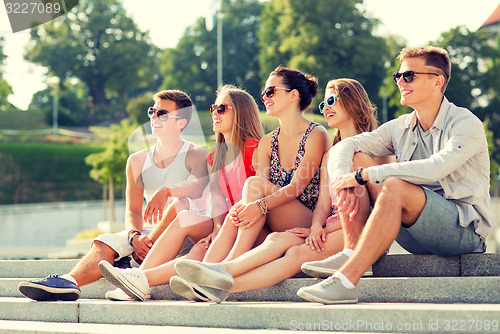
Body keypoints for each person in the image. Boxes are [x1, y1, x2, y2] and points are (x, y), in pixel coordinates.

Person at [297, 46, 491, 305]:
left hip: (461, 233)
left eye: (408, 75)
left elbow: (434, 168)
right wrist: (343, 180)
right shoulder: (402, 125)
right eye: (397, 76)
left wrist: (365, 175)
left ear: (437, 81)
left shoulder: (465, 123)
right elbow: (345, 146)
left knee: (391, 184)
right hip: (414, 230)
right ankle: (353, 251)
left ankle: (345, 282)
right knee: (357, 156)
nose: (400, 81)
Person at [169, 78, 389, 303]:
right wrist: (315, 226)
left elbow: (382, 208)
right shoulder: (330, 155)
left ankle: (220, 282)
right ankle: (215, 274)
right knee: (276, 239)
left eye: (331, 101)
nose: (326, 108)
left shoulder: (373, 151)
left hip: (359, 235)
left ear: (352, 102)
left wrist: (323, 228)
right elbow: (324, 203)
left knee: (295, 252)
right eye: (323, 105)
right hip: (325, 226)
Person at [18, 89, 209, 301]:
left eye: (162, 114)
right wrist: (134, 236)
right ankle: (68, 282)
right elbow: (133, 209)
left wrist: (167, 191)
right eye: (152, 111)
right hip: (149, 231)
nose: (154, 117)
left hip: (185, 234)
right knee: (104, 242)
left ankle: (134, 263)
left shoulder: (197, 154)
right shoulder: (137, 161)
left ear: (181, 122)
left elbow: (198, 189)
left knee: (179, 202)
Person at [97, 85, 264, 301]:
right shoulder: (215, 157)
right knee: (184, 218)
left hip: (251, 224)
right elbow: (217, 200)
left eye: (221, 108)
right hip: (225, 224)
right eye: (213, 108)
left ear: (240, 112)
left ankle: (141, 278)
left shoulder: (255, 149)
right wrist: (217, 229)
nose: (214, 113)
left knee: (195, 251)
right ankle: (136, 279)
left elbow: (261, 192)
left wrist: (168, 191)